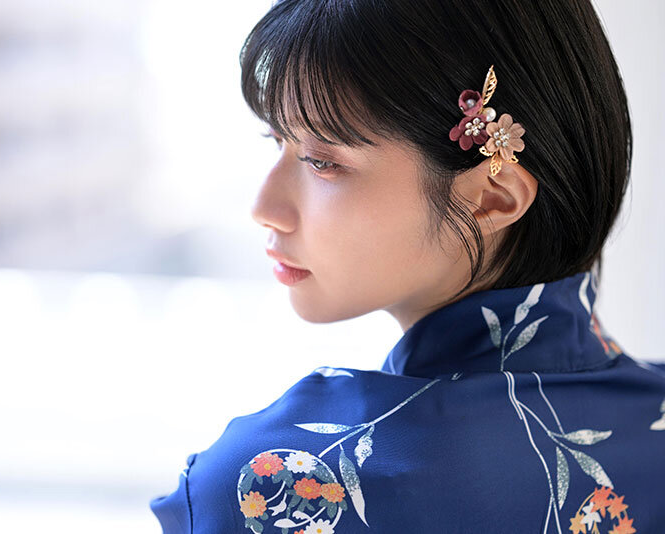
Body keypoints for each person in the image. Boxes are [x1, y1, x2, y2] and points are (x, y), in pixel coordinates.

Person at [150, 0, 665, 532]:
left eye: (322, 161)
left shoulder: (283, 485)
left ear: (492, 197)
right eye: (276, 139)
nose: (264, 207)